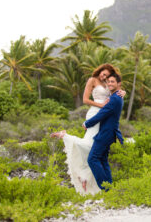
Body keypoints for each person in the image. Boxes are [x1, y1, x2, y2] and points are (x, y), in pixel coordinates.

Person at [50, 64, 125, 195]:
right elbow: (85, 99)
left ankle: (88, 178)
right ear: (99, 71)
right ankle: (66, 137)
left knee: (95, 151)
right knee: (92, 148)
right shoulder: (92, 80)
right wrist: (100, 105)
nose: (104, 76)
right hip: (95, 113)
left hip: (104, 117)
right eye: (103, 73)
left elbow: (115, 91)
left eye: (107, 75)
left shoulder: (110, 85)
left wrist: (123, 92)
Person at [83, 72, 124, 190]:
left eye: (112, 82)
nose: (110, 84)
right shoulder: (116, 96)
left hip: (106, 132)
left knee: (92, 159)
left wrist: (87, 123)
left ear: (119, 84)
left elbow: (102, 114)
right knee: (103, 159)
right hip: (108, 132)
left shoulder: (115, 98)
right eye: (108, 82)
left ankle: (105, 188)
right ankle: (109, 188)